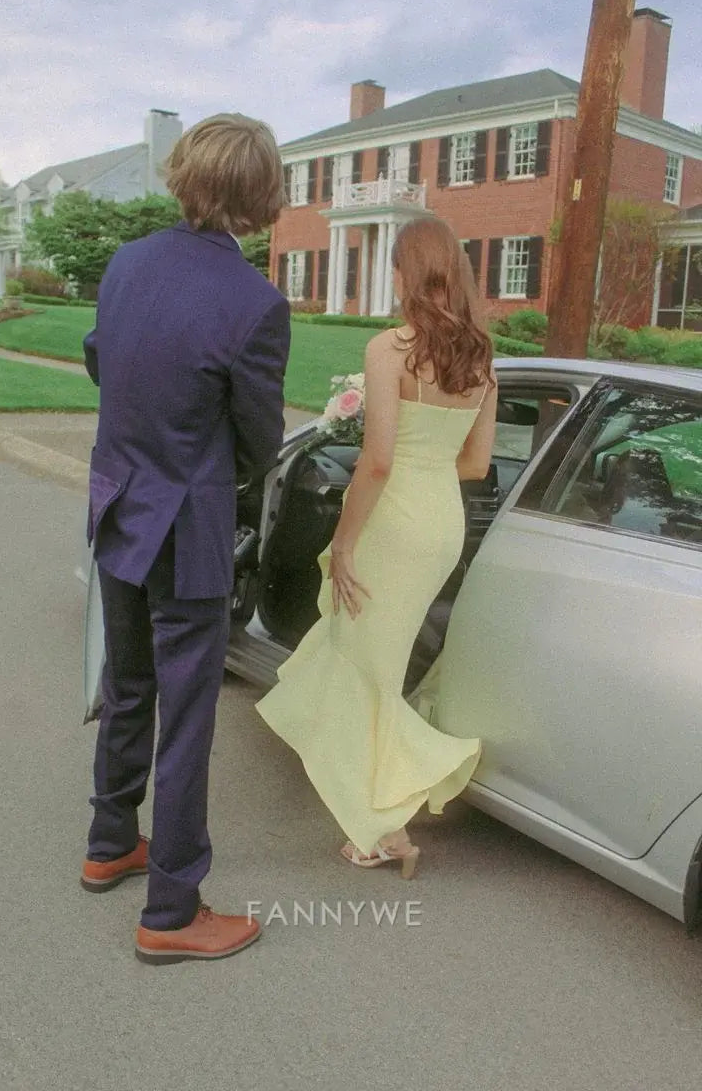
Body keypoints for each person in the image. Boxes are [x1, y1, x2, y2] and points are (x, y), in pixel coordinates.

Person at [80, 114, 290, 964]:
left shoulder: (127, 263)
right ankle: (171, 911)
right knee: (188, 716)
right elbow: (262, 439)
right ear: (259, 195)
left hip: (116, 504)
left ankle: (108, 842)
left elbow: (102, 360)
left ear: (184, 174)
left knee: (127, 685)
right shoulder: (255, 303)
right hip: (187, 526)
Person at [256, 217, 496, 876]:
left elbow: (379, 460)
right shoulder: (480, 357)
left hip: (393, 525)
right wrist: (426, 466)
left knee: (369, 670)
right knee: (363, 661)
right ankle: (380, 818)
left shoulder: (391, 350)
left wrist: (345, 540)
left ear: (404, 275)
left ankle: (383, 826)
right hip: (441, 525)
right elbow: (476, 463)